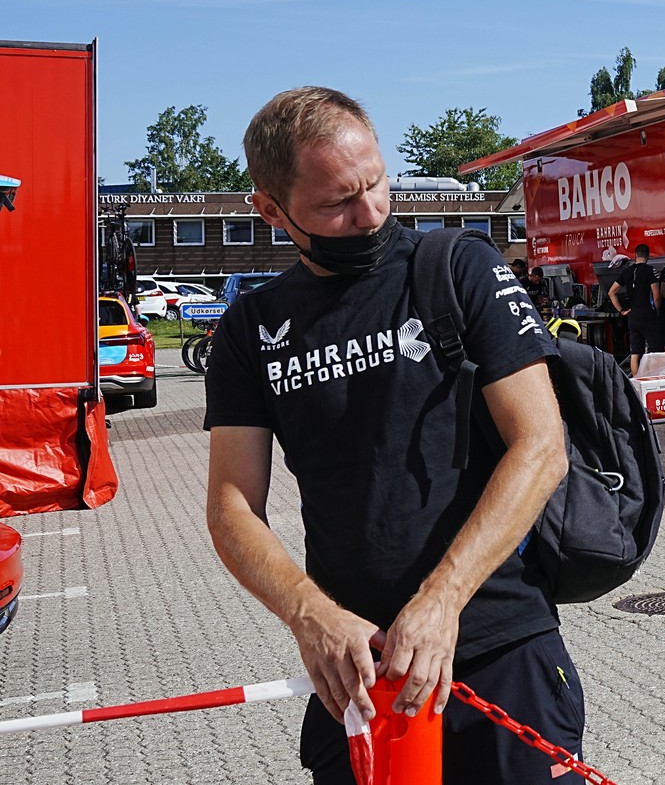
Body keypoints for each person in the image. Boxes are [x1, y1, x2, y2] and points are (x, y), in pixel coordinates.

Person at [204, 87, 582, 784]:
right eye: (337, 203)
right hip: (358, 675)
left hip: (498, 651)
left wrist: (442, 600)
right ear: (270, 209)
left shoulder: (457, 269)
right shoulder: (251, 331)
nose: (372, 212)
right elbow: (231, 506)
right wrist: (308, 613)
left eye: (377, 182)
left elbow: (541, 445)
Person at [607, 243, 661, 375]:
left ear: (635, 255)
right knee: (655, 350)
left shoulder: (626, 271)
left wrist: (621, 310)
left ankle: (636, 381)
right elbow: (657, 295)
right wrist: (657, 311)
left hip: (633, 316)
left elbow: (611, 292)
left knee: (635, 351)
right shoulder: (650, 270)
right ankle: (654, 378)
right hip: (648, 315)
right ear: (647, 257)